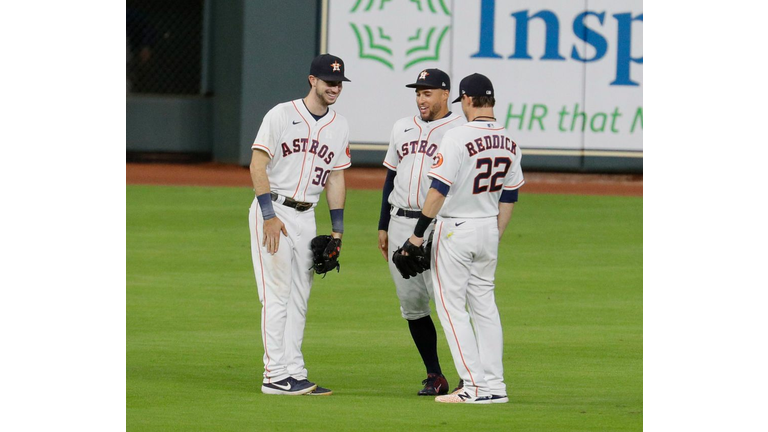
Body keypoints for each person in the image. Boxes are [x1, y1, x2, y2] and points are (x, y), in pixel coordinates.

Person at [402, 73, 524, 404]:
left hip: (456, 228)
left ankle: (473, 386)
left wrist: (416, 236)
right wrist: (494, 234)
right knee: (485, 306)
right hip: (488, 227)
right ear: (492, 101)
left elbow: (438, 190)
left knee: (452, 307)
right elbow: (509, 197)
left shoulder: (457, 137)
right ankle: (495, 385)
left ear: (467, 100)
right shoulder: (510, 142)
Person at [248, 54, 352, 396]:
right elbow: (257, 164)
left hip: (307, 216)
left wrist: (337, 231)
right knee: (276, 295)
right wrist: (268, 217)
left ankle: (294, 370)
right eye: (328, 82)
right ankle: (274, 375)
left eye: (338, 83)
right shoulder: (281, 114)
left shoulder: (339, 125)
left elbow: (336, 177)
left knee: (299, 297)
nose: (334, 88)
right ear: (312, 81)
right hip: (274, 209)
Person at [377, 68, 463, 395]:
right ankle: (435, 375)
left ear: (445, 95)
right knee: (412, 305)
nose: (421, 98)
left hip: (439, 225)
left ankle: (469, 375)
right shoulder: (401, 127)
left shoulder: (459, 130)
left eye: (427, 92)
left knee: (448, 302)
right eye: (418, 92)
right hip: (400, 222)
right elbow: (390, 178)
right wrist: (383, 225)